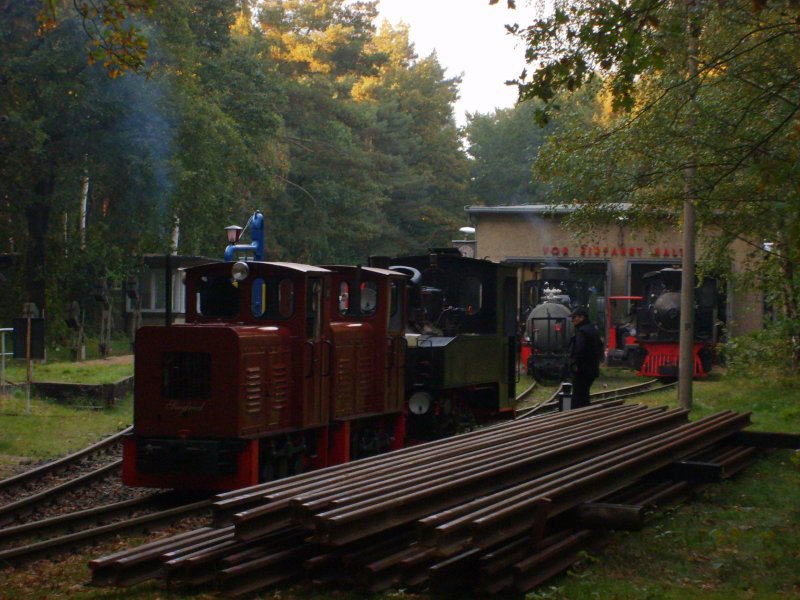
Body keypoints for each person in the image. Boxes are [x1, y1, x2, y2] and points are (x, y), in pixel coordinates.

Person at [566, 306, 604, 409]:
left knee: (578, 398)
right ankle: (585, 415)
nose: (572, 320)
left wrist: (573, 363)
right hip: (592, 369)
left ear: (582, 318)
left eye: (574, 317)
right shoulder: (593, 329)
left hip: (582, 370)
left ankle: (577, 418)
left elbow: (579, 349)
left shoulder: (582, 331)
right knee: (584, 395)